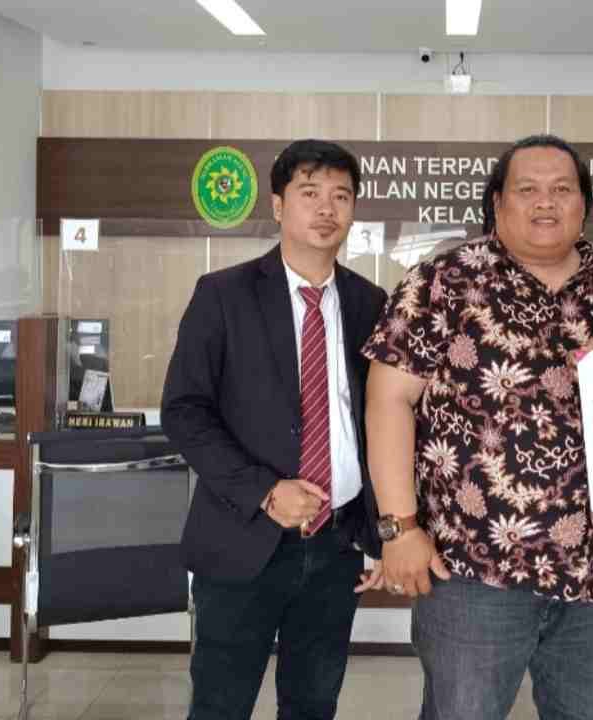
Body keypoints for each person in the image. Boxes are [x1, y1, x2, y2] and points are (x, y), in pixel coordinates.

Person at [363, 134, 593, 720]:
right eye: (527, 189)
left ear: (584, 204)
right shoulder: (443, 280)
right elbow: (388, 401)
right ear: (497, 203)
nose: (545, 202)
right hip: (473, 575)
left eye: (562, 189)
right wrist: (399, 528)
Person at [161, 139, 388, 720]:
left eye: (341, 196)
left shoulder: (370, 303)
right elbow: (184, 410)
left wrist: (384, 530)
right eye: (310, 193)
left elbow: (382, 422)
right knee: (220, 706)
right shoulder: (223, 294)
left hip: (336, 544)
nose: (327, 209)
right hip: (243, 538)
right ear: (279, 205)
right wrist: (264, 490)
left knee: (313, 705)